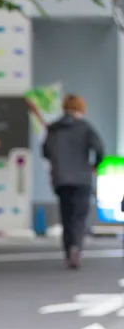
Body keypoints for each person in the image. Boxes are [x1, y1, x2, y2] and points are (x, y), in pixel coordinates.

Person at [42, 94, 104, 269]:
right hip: (82, 178)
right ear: (81, 108)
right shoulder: (85, 127)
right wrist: (95, 165)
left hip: (61, 178)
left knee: (67, 216)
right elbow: (99, 148)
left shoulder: (53, 128)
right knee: (79, 216)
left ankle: (69, 249)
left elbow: (46, 151)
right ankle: (76, 245)